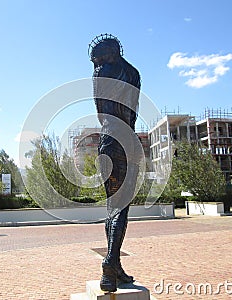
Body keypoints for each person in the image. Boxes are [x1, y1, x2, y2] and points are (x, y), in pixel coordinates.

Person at [89, 34, 141, 293]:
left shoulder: (99, 73)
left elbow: (100, 112)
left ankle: (114, 267)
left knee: (113, 205)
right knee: (121, 207)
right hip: (126, 139)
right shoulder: (132, 72)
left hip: (108, 139)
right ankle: (111, 264)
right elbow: (132, 113)